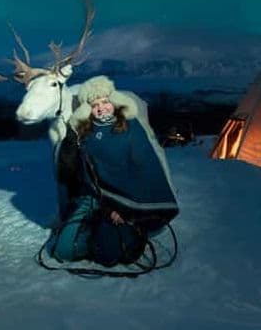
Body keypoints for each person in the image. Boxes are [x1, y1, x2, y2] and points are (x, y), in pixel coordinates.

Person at [48, 76, 179, 267]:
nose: (101, 108)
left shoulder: (131, 126)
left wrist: (125, 209)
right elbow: (67, 172)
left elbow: (145, 170)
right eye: (94, 105)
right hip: (93, 197)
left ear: (114, 101)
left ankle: (121, 235)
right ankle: (94, 234)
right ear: (87, 109)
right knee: (63, 252)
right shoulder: (84, 132)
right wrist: (70, 138)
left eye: (105, 102)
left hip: (125, 201)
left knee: (108, 254)